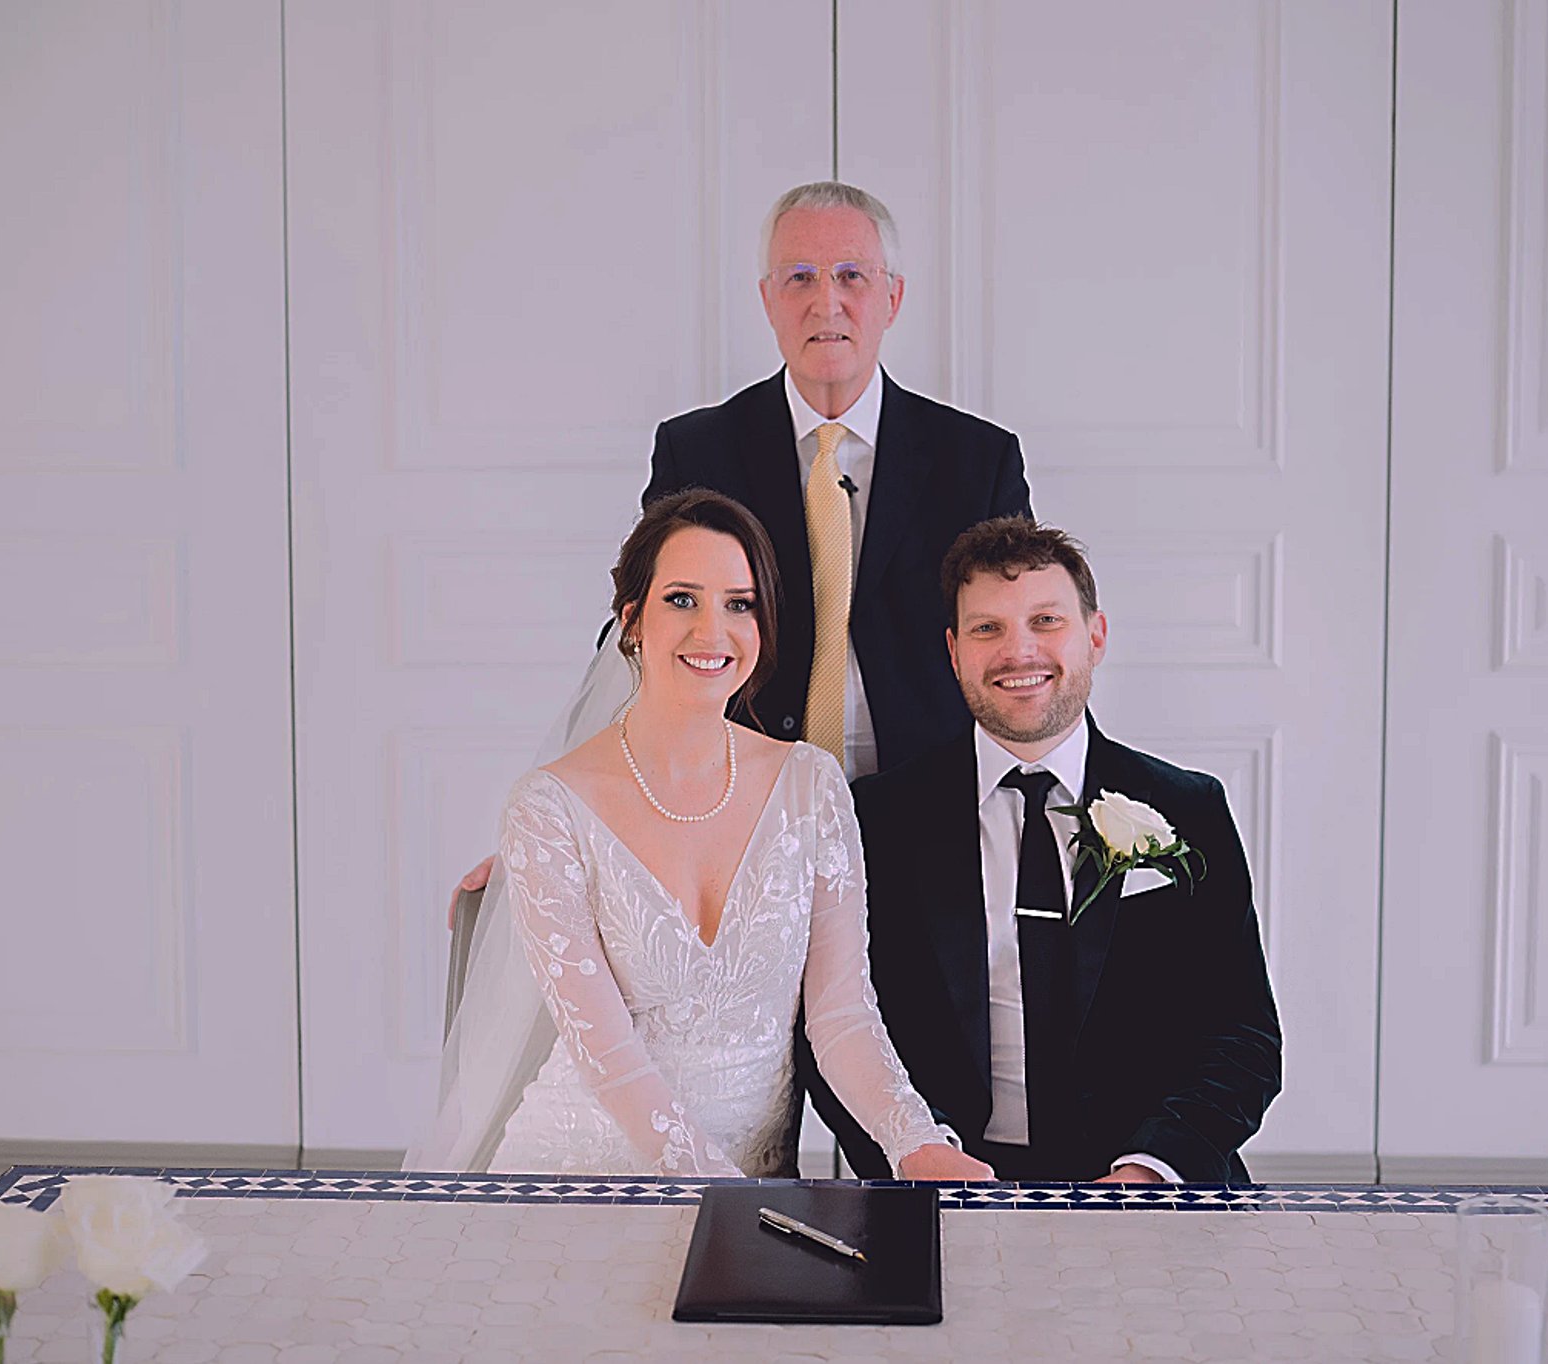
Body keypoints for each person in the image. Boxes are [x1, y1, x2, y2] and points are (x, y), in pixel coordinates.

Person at [450, 181, 1031, 909]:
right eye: (800, 278)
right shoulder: (699, 449)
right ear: (767, 299)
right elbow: (643, 637)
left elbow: (1024, 649)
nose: (826, 303)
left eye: (852, 276)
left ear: (894, 296)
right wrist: (558, 830)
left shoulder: (977, 459)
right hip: (733, 829)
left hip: (936, 829)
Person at [412, 490, 995, 1180]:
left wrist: (916, 1140)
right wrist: (722, 1193)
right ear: (632, 621)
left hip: (752, 1185)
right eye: (682, 599)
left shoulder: (811, 786)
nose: (712, 631)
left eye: (739, 604)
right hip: (582, 1177)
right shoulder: (548, 808)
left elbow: (841, 1015)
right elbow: (609, 1056)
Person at [808, 517, 1281, 1183]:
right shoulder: (876, 819)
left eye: (1045, 621)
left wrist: (1154, 1168)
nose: (1018, 651)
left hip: (1153, 1186)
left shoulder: (1189, 807)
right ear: (954, 651)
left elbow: (1243, 1035)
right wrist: (921, 1157)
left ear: (1095, 635)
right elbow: (837, 1028)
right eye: (987, 628)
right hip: (945, 1179)